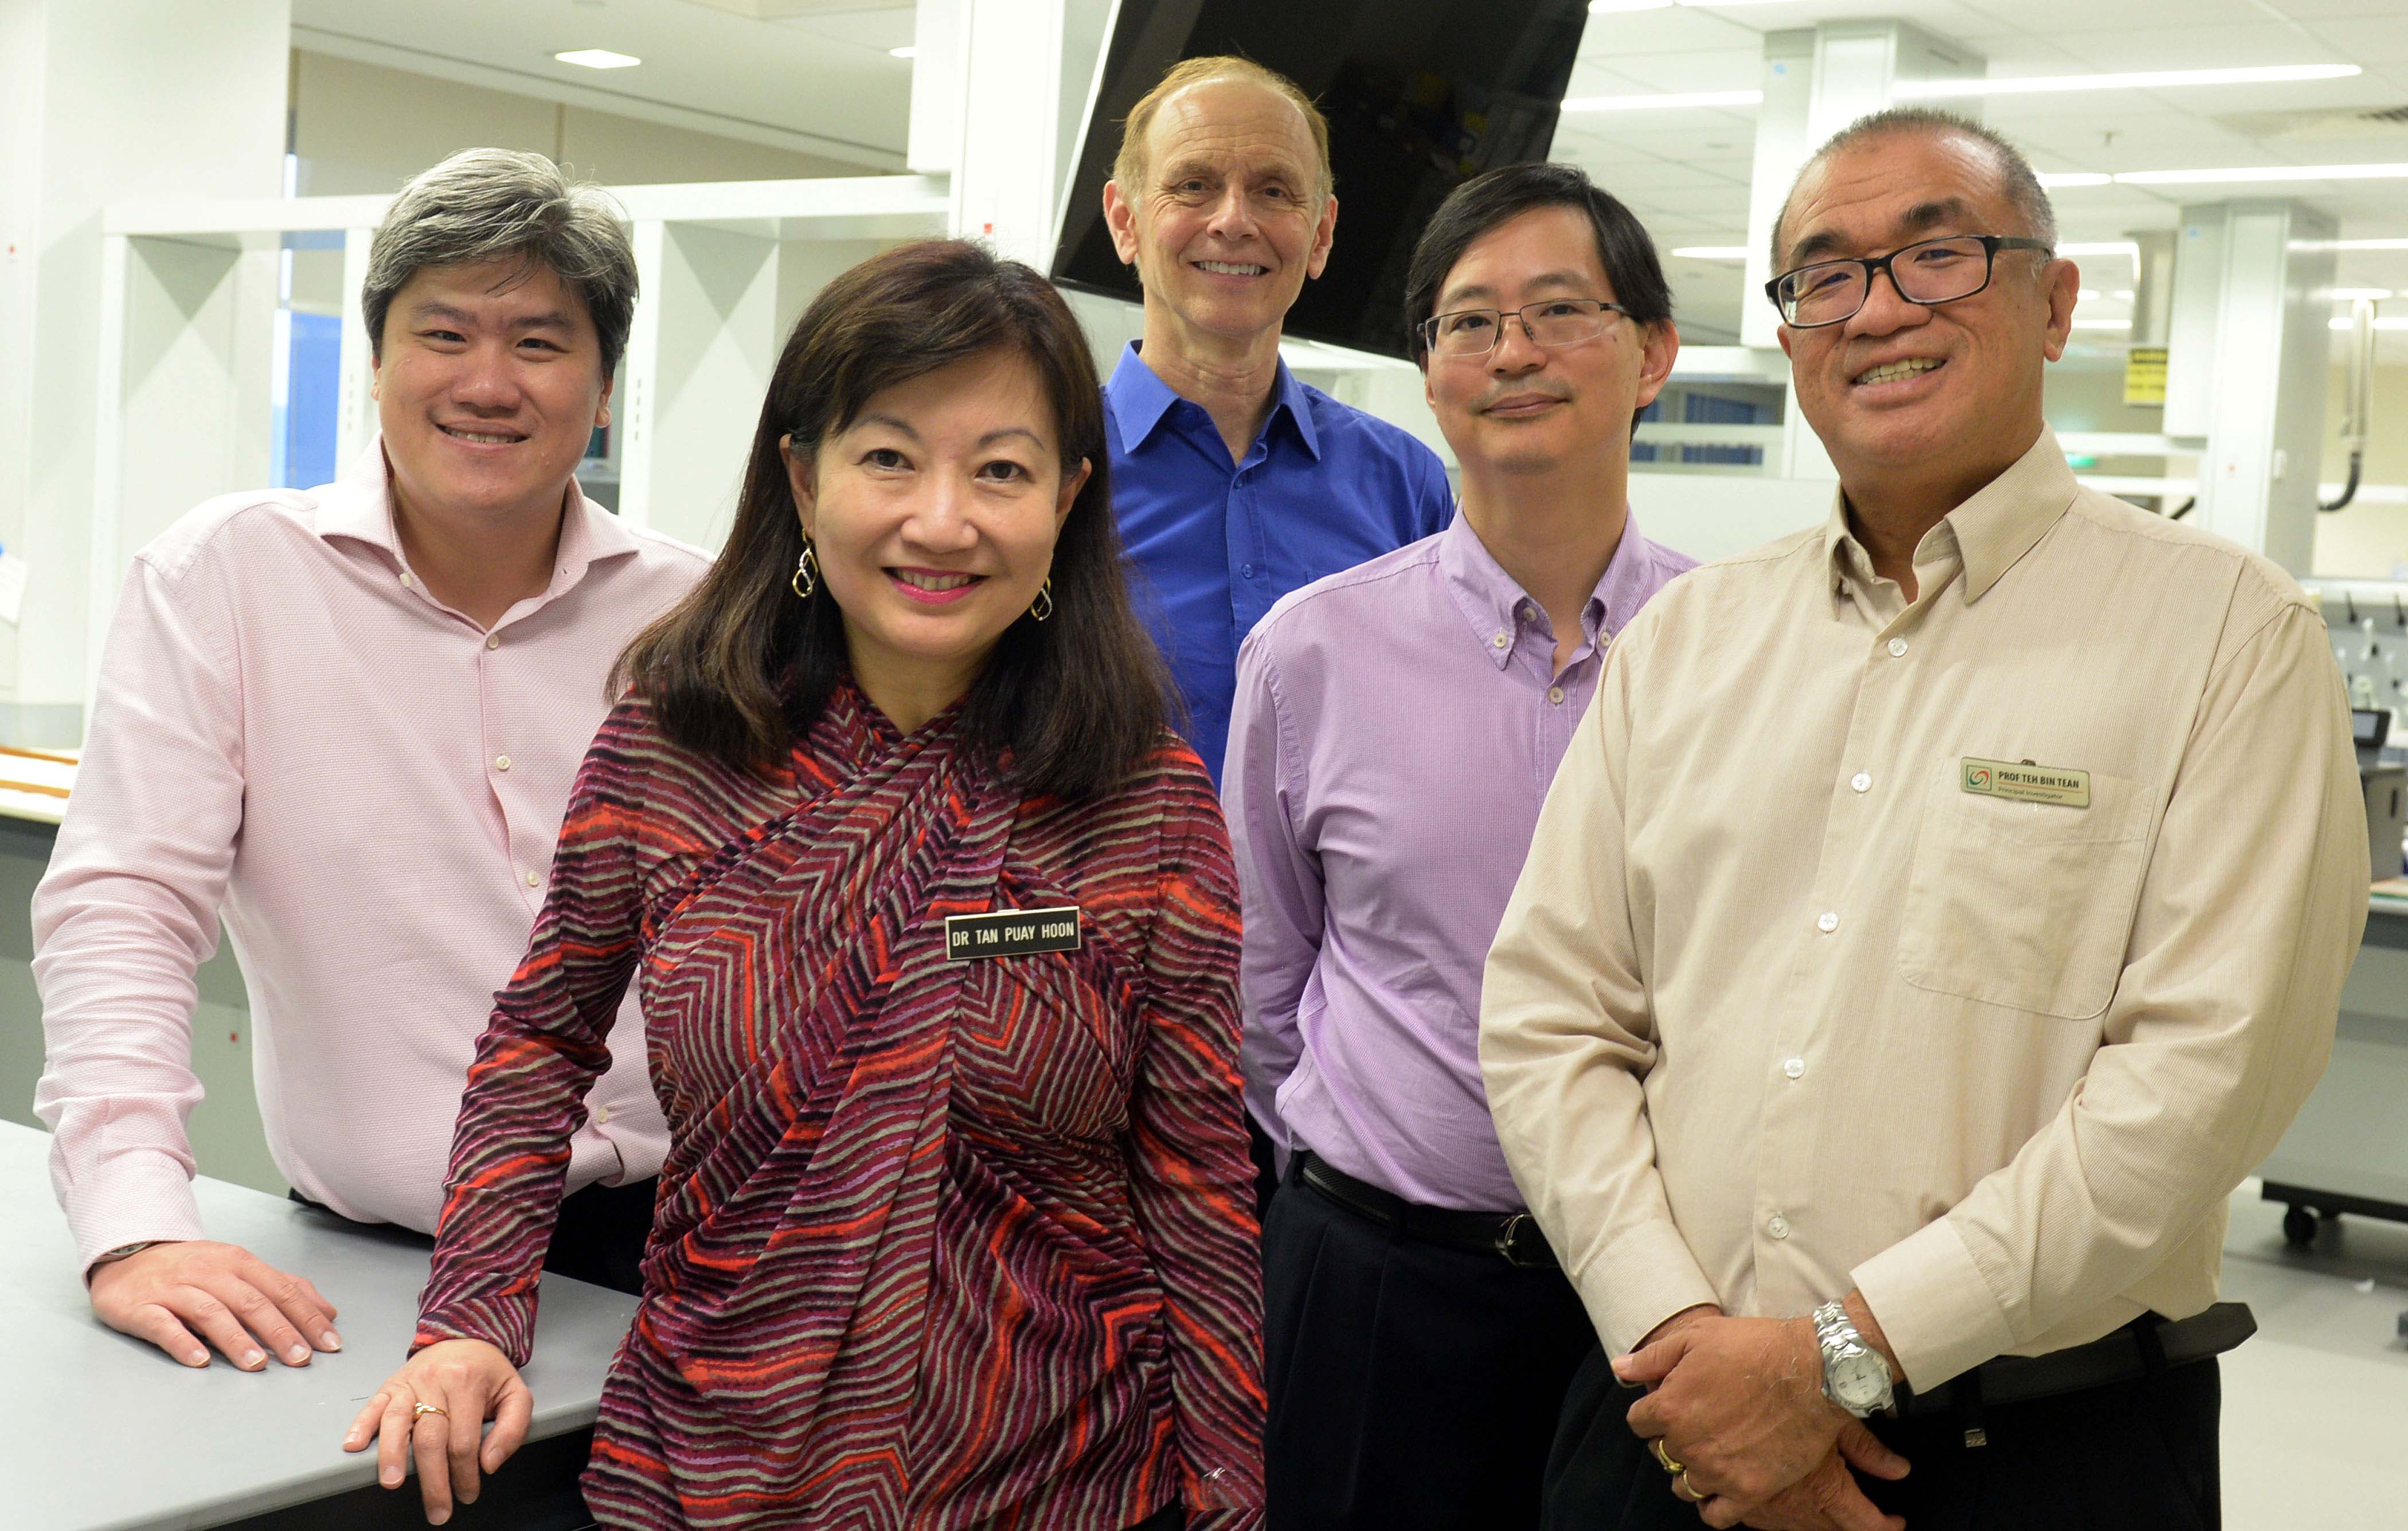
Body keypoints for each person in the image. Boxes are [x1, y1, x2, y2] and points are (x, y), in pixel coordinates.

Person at [1480, 106, 2368, 1531]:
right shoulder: (1689, 640)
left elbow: (2202, 1086)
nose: (1879, 308)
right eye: (1825, 274)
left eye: (1939, 255)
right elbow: (1550, 1017)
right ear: (1787, 330)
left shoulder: (2226, 637)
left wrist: (1840, 1358)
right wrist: (1689, 1340)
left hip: (2035, 1451)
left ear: (2056, 301)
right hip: (1666, 1427)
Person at [342, 240, 1265, 1531]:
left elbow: (1197, 1171)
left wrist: (1229, 1494)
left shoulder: (1140, 798)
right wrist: (472, 1315)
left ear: (1067, 499)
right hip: (709, 1460)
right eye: (888, 456)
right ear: (801, 474)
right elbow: (541, 1039)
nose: (941, 520)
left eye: (1000, 470)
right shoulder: (673, 753)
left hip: (1061, 1479)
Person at [32, 148, 703, 1370]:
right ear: (377, 362)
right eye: (443, 333)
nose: (489, 384)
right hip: (388, 1272)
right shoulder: (227, 579)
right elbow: (123, 906)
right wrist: (134, 1227)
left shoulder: (697, 617)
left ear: (605, 386)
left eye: (543, 344)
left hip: (709, 1255)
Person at [1225, 162, 1693, 1530]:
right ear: (1428, 369)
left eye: (1561, 311)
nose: (1514, 354)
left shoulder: (1741, 650)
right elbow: (1261, 988)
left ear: (1653, 353)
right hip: (1378, 1280)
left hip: (1665, 1300)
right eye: (1470, 322)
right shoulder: (1313, 652)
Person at [1100, 54, 1455, 788]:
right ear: (1125, 222)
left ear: (1321, 234)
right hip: (1108, 899)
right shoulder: (1047, 468)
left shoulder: (1404, 484)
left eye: (1273, 191)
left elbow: (1444, 724)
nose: (1234, 221)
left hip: (1340, 905)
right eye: (1193, 185)